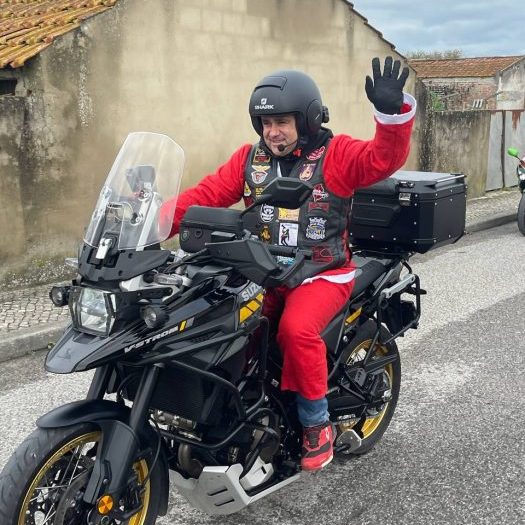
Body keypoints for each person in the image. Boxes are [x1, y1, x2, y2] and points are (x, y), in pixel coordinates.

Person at [164, 57, 416, 471]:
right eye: (265, 123)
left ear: (307, 119)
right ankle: (236, 405)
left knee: (296, 330)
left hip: (322, 273)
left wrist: (391, 118)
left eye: (281, 121)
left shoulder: (336, 154)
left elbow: (380, 160)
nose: (272, 132)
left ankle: (317, 424)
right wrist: (147, 223)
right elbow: (204, 196)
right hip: (264, 272)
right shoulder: (249, 160)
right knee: (220, 320)